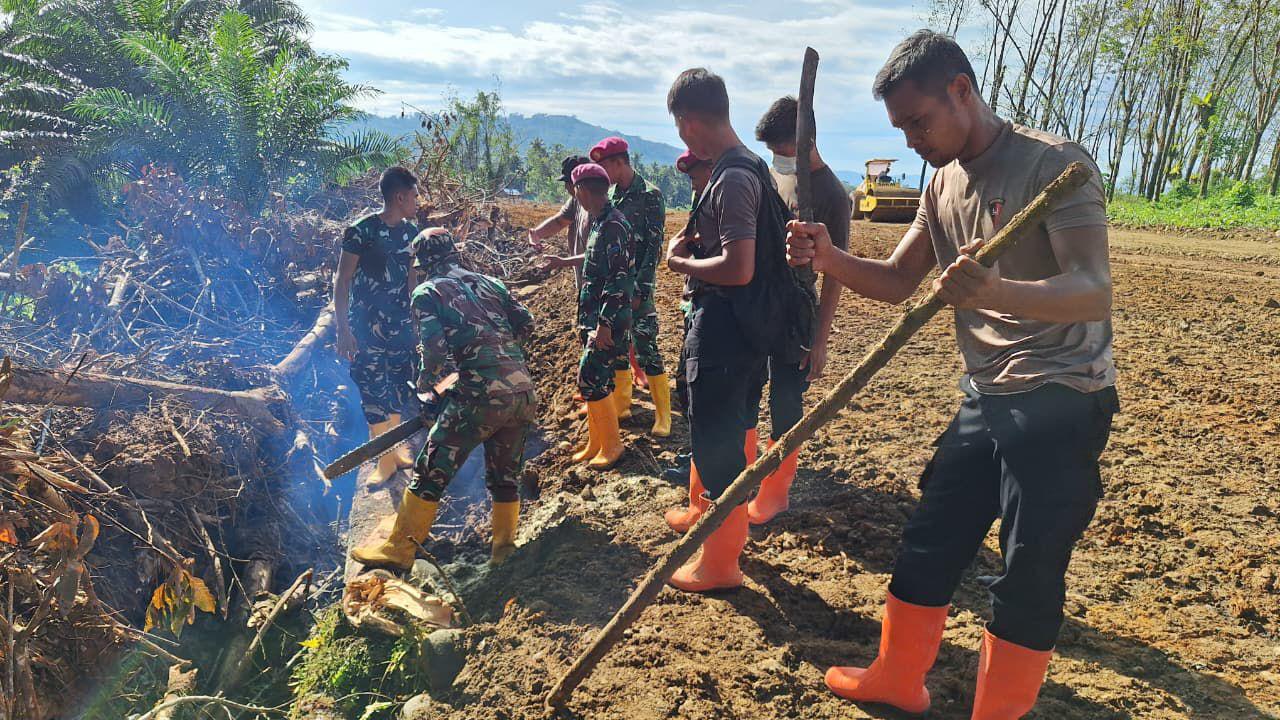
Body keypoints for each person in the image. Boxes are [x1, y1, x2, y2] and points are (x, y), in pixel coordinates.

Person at [786, 30, 1116, 719]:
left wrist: (997, 292)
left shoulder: (1054, 164)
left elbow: (1092, 291)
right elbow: (899, 280)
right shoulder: (941, 182)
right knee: (929, 537)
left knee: (1027, 570)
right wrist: (828, 258)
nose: (912, 141)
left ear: (961, 91)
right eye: (900, 129)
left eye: (918, 122)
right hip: (987, 393)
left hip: (1062, 394)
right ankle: (897, 677)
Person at [351, 229, 539, 569]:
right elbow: (526, 323)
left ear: (422, 263)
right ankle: (504, 550)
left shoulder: (428, 292)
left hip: (480, 396)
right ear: (454, 252)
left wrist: (427, 385)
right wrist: (502, 357)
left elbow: (435, 350)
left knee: (430, 471)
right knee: (505, 476)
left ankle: (399, 549)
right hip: (523, 391)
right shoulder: (491, 283)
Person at [662, 68, 775, 593]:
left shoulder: (730, 177)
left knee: (718, 446)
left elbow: (738, 267)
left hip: (726, 333)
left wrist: (680, 263)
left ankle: (720, 564)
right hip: (746, 330)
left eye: (680, 128)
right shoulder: (751, 167)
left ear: (688, 122)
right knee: (727, 435)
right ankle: (711, 534)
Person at [742, 95, 852, 525]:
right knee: (751, 390)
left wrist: (820, 340)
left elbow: (836, 273)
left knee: (786, 401)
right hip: (765, 304)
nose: (777, 158)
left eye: (782, 150)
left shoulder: (831, 196)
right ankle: (746, 477)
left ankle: (776, 492)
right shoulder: (778, 177)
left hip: (797, 315)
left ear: (805, 143)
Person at [333, 166, 422, 486]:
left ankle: (396, 450)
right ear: (399, 197)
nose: (417, 201)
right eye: (414, 196)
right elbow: (342, 280)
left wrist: (417, 320)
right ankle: (384, 460)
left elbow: (412, 279)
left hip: (400, 325)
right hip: (365, 327)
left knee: (399, 384)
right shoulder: (361, 231)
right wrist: (343, 329)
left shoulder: (412, 233)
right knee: (371, 388)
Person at [544, 163, 636, 470]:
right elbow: (595, 258)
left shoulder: (613, 224)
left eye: (574, 189)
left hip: (607, 320)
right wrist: (562, 261)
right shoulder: (601, 221)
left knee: (590, 378)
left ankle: (612, 446)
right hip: (595, 317)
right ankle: (596, 443)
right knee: (598, 380)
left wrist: (604, 325)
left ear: (582, 190)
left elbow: (618, 280)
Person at [590, 136, 671, 437]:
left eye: (605, 167)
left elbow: (653, 247)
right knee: (618, 345)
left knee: (646, 343)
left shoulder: (650, 195)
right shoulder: (611, 197)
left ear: (619, 162)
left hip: (637, 284)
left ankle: (663, 416)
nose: (603, 174)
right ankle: (622, 404)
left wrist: (641, 289)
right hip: (615, 285)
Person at [661, 150, 712, 486]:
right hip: (693, 300)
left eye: (695, 176)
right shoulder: (702, 200)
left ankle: (704, 462)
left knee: (701, 388)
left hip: (712, 306)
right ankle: (698, 452)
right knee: (686, 384)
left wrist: (679, 258)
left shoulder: (725, 203)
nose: (692, 184)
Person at [527, 155, 593, 288]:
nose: (566, 188)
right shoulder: (576, 200)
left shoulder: (601, 209)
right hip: (584, 281)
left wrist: (563, 262)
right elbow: (559, 221)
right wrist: (536, 233)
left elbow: (597, 254)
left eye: (569, 183)